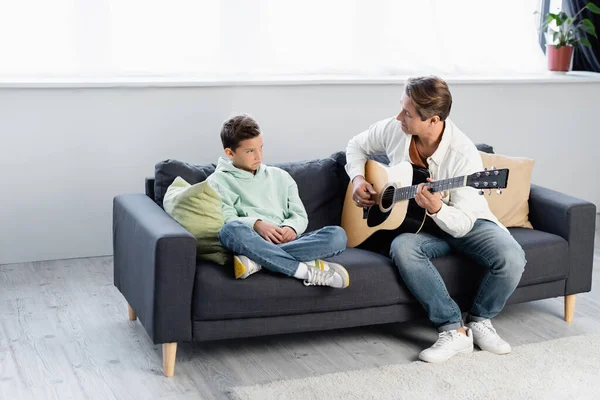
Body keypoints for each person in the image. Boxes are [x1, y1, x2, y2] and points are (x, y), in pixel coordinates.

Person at [345, 76, 526, 362]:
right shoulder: (395, 130)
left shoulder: (463, 154)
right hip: (419, 227)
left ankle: (479, 320)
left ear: (433, 120)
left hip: (464, 221)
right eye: (402, 107)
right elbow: (356, 145)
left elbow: (464, 223)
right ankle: (454, 330)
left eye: (408, 113)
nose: (399, 116)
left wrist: (438, 209)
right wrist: (357, 179)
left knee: (512, 257)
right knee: (402, 247)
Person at [208, 114, 350, 288]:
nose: (258, 156)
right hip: (252, 240)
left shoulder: (281, 176)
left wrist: (290, 227)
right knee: (229, 231)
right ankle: (305, 271)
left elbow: (299, 214)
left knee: (338, 235)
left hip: (288, 241)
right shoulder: (217, 181)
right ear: (230, 153)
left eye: (260, 148)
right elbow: (227, 217)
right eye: (250, 151)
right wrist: (257, 224)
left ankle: (257, 263)